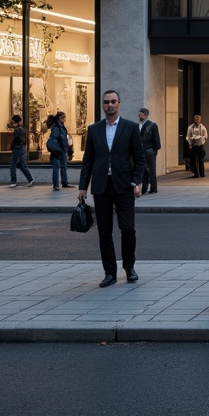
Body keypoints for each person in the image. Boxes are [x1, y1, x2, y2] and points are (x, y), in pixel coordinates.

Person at [77, 89, 146, 287]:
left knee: (127, 229)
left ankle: (129, 267)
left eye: (113, 101)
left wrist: (136, 181)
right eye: (106, 102)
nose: (110, 105)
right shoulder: (94, 129)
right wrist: (83, 186)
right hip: (101, 187)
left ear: (119, 104)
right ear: (102, 105)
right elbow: (87, 159)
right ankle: (110, 273)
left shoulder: (131, 127)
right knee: (104, 232)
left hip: (124, 186)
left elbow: (139, 158)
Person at [7, 114, 36, 188]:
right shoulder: (22, 129)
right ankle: (30, 179)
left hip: (17, 149)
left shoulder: (17, 129)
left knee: (13, 165)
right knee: (23, 166)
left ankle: (13, 181)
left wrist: (12, 146)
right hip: (22, 148)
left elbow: (16, 140)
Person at [138, 107, 161, 193]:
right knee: (143, 170)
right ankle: (144, 188)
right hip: (142, 151)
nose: (139, 115)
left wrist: (155, 150)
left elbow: (157, 140)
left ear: (145, 115)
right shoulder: (138, 125)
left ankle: (153, 188)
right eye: (139, 114)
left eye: (140, 114)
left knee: (151, 170)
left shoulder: (152, 125)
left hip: (150, 151)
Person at [46, 112, 72, 191]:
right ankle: (56, 185)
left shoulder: (62, 127)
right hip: (56, 151)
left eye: (65, 117)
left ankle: (64, 182)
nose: (64, 119)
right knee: (56, 168)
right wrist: (54, 150)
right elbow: (52, 140)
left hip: (62, 150)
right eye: (63, 117)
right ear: (59, 118)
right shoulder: (56, 128)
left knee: (64, 166)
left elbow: (65, 139)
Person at [185, 113, 208, 178]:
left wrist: (203, 140)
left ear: (200, 119)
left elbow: (206, 135)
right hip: (194, 145)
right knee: (194, 160)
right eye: (195, 119)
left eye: (198, 119)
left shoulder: (203, 127)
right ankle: (196, 173)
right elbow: (188, 136)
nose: (196, 120)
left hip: (200, 145)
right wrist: (190, 143)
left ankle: (202, 173)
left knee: (201, 159)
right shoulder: (190, 127)